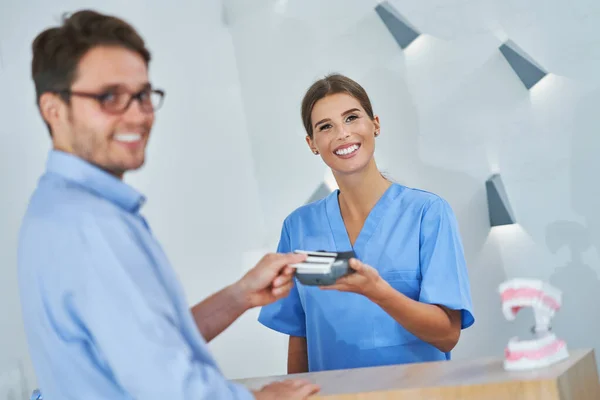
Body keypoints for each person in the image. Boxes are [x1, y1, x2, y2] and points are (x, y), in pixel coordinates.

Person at [17, 10, 320, 400]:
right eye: (109, 97)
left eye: (142, 95)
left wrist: (241, 294)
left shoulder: (61, 207)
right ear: (53, 110)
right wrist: (265, 398)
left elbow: (144, 344)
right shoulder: (89, 225)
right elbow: (167, 388)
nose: (138, 115)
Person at [258, 74, 475, 373]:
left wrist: (378, 292)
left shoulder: (428, 214)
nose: (343, 133)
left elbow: (447, 335)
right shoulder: (300, 228)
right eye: (326, 126)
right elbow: (301, 334)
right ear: (312, 143)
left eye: (351, 118)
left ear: (375, 124)